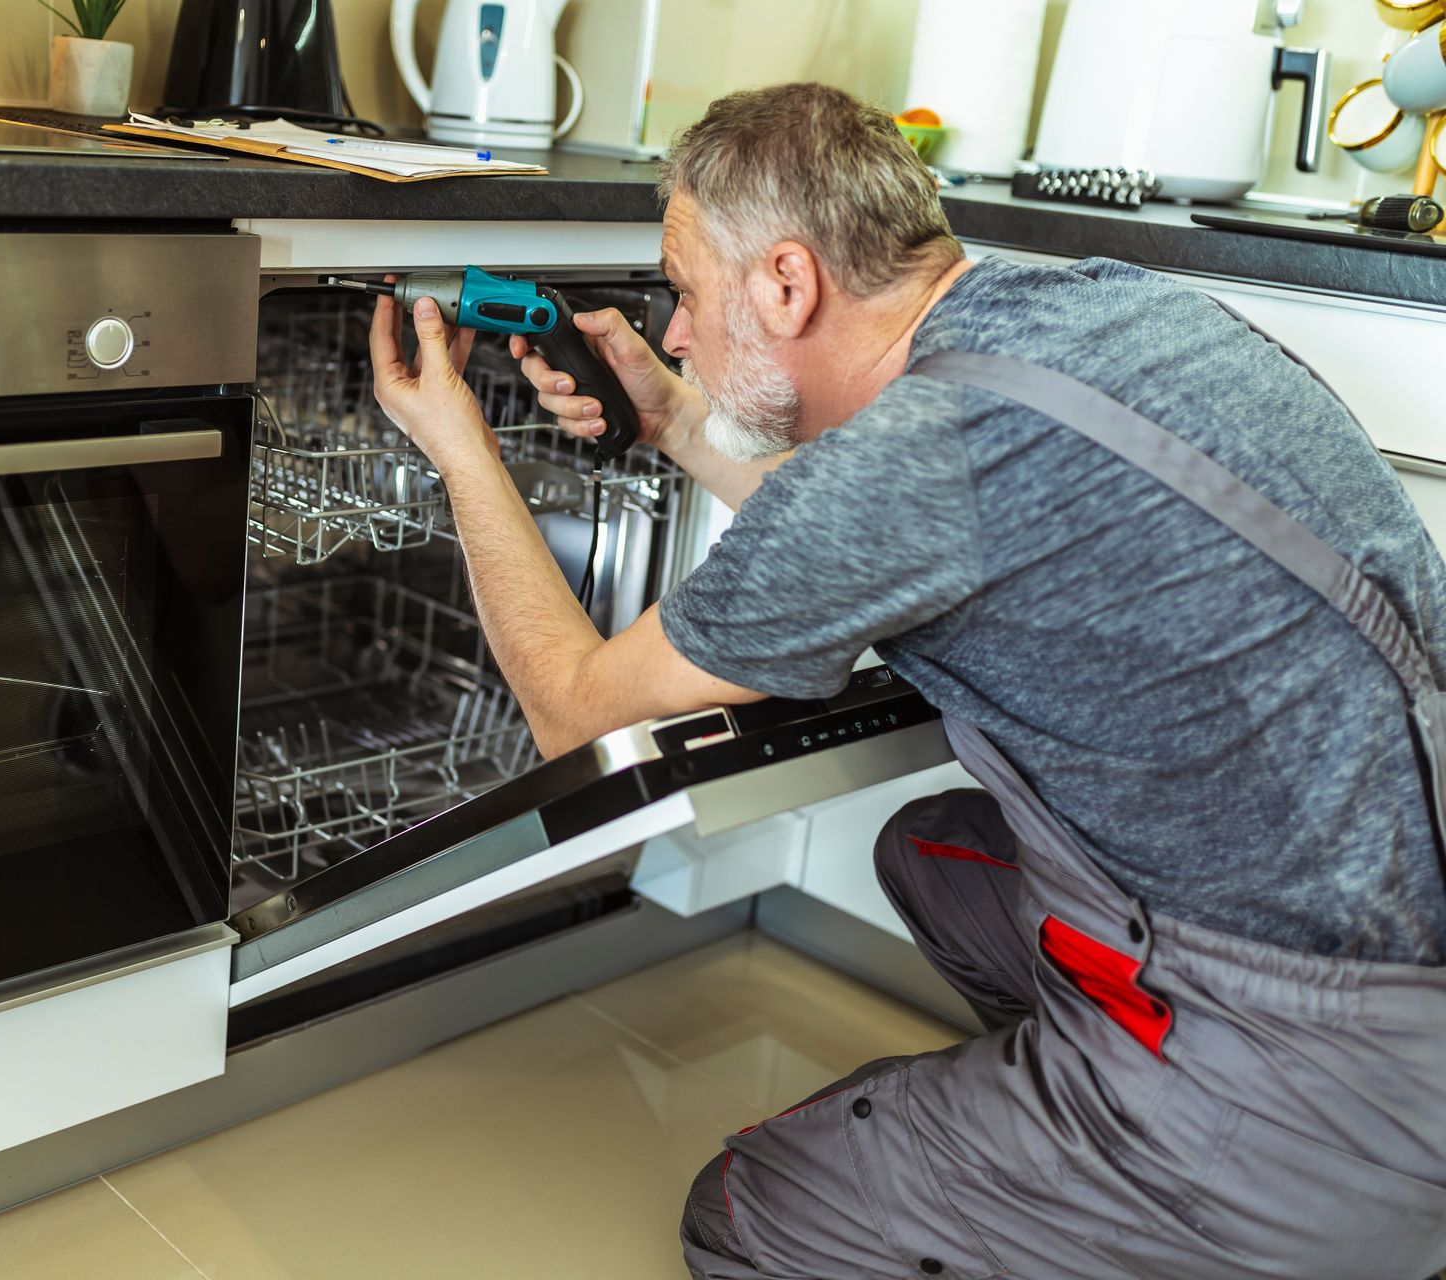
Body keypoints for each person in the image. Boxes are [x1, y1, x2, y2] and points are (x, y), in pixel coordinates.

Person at [367, 81, 1446, 1280]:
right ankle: (1110, 1176)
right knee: (929, 850)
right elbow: (882, 533)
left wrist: (456, 442)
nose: (672, 330)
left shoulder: (907, 462)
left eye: (684, 291)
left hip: (1308, 1082)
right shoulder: (1102, 310)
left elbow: (572, 703)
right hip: (1398, 955)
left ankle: (1179, 1190)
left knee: (744, 1211)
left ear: (786, 282)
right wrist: (679, 424)